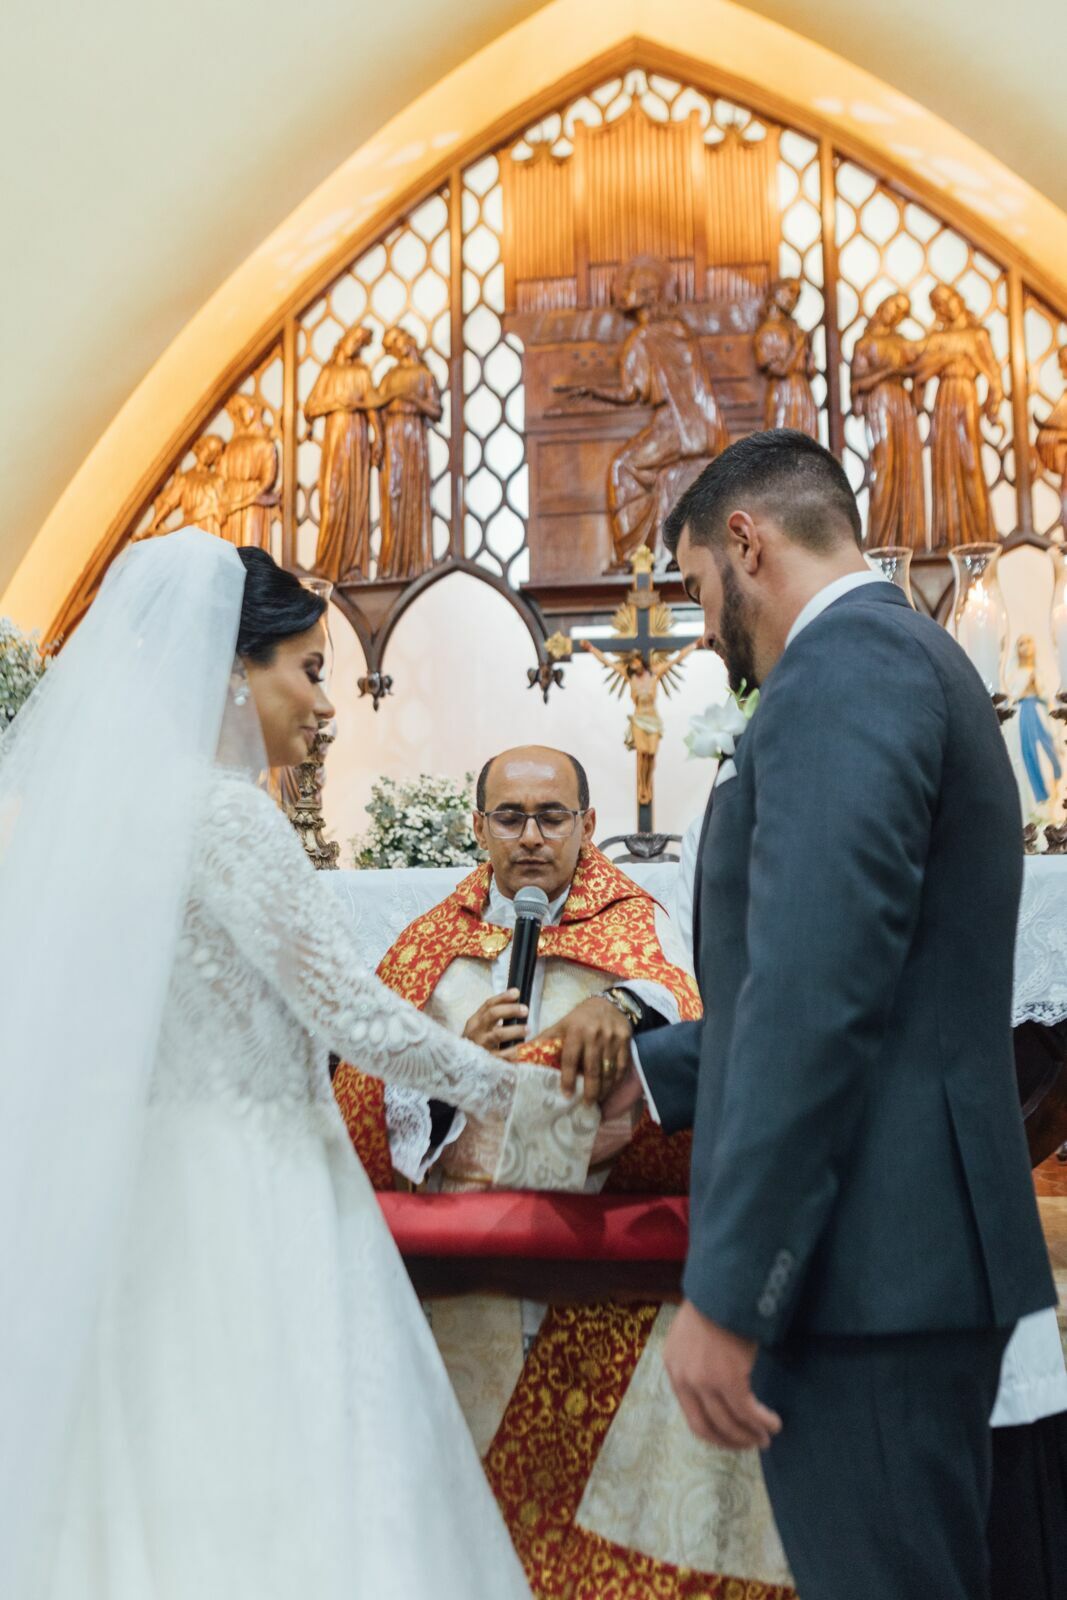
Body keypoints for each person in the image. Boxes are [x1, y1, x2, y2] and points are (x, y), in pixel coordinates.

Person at [0, 529, 599, 1600]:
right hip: (252, 1185)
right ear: (237, 667)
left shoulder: (129, 816)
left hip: (151, 1187)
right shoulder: (229, 814)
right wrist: (525, 1090)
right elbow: (353, 1015)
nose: (325, 704)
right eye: (310, 669)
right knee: (285, 1468)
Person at [587, 429, 1056, 1600]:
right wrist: (655, 1074)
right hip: (899, 1254)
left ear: (745, 543)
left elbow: (816, 990)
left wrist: (729, 1288)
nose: (701, 628)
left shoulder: (839, 669)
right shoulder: (896, 654)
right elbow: (869, 976)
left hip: (867, 1268)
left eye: (697, 586)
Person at [336, 749, 779, 1597]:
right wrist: (447, 1063)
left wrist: (622, 1004)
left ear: (587, 825)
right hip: (462, 1272)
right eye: (510, 817)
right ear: (478, 827)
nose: (531, 837)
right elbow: (362, 1094)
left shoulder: (638, 928)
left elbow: (698, 1021)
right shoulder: (430, 941)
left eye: (551, 816)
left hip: (599, 1259)